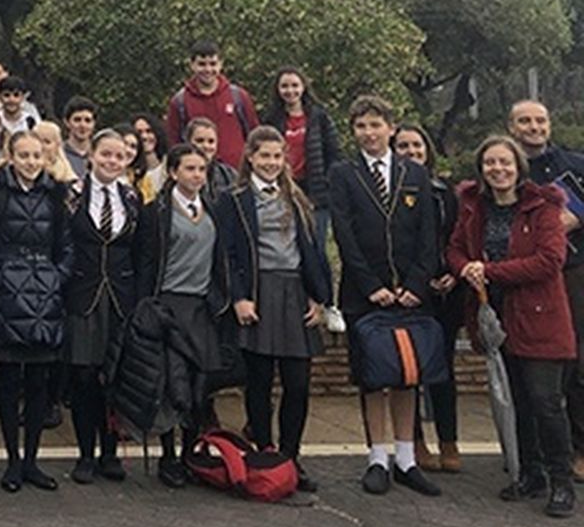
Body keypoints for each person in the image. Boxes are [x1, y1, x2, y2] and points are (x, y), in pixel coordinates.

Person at [449, 136, 576, 518]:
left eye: (505, 162)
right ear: (481, 169)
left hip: (540, 316)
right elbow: (455, 248)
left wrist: (488, 270)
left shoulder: (544, 206)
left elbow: (549, 260)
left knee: (546, 402)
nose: (498, 169)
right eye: (490, 163)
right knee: (517, 400)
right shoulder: (473, 207)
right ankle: (531, 473)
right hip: (496, 317)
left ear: (519, 167)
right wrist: (465, 269)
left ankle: (562, 482)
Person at [327, 95, 441, 497]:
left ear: (391, 128)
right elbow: (344, 233)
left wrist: (416, 284)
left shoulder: (415, 173)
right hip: (364, 295)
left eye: (376, 125)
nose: (369, 133)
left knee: (408, 376)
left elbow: (428, 233)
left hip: (410, 295)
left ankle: (407, 459)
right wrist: (370, 285)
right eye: (361, 126)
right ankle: (378, 458)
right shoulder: (343, 174)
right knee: (373, 376)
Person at [218, 125, 330, 493]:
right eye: (264, 155)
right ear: (250, 157)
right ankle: (265, 454)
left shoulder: (297, 198)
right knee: (259, 382)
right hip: (258, 291)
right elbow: (227, 254)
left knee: (297, 383)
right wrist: (239, 297)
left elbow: (313, 251)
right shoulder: (234, 200)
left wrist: (319, 297)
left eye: (277, 156)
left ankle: (290, 456)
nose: (270, 162)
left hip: (294, 291)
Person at [0, 130, 73, 493]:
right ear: (10, 157)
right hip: (6, 302)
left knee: (39, 384)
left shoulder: (55, 197)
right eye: (23, 155)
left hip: (44, 300)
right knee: (9, 383)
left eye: (36, 155)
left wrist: (56, 277)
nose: (30, 162)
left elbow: (67, 248)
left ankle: (32, 462)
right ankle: (12, 461)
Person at [65, 129, 151, 484]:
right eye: (106, 154)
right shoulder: (71, 195)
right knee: (84, 377)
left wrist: (140, 298)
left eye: (119, 156)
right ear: (92, 155)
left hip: (120, 297)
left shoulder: (132, 197)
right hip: (82, 295)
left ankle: (110, 452)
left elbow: (141, 251)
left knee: (113, 378)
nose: (112, 161)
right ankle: (85, 453)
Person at [506, 99, 584, 480]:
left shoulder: (576, 164)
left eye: (540, 120)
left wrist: (578, 216)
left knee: (577, 362)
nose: (534, 127)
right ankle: (533, 455)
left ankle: (579, 447)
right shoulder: (506, 168)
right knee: (530, 367)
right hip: (526, 277)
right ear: (512, 127)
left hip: (574, 271)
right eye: (525, 121)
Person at [147, 143, 228, 489]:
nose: (196, 175)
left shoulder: (213, 209)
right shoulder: (157, 212)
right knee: (170, 384)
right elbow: (146, 261)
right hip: (168, 304)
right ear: (173, 172)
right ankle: (168, 456)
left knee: (198, 385)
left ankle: (189, 454)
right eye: (189, 169)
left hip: (200, 306)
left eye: (201, 169)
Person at [393, 123, 463, 473]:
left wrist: (453, 272)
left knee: (443, 368)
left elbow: (456, 236)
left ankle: (449, 440)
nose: (412, 151)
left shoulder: (444, 191)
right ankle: (415, 442)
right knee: (410, 370)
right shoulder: (389, 193)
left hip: (445, 290)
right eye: (403, 146)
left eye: (417, 145)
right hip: (408, 290)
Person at [261, 67, 344, 333]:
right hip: (283, 189)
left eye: (295, 85)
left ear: (304, 87)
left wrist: (328, 183)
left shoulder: (318, 116)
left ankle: (328, 303)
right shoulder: (271, 119)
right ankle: (299, 302)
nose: (290, 91)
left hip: (315, 192)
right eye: (285, 86)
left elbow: (335, 154)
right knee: (287, 247)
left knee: (316, 246)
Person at [164, 40, 259, 169]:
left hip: (236, 171)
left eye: (213, 64)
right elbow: (174, 143)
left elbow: (254, 136)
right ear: (192, 65)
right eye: (202, 64)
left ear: (221, 64)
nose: (208, 69)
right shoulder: (180, 102)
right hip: (197, 173)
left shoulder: (238, 96)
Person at [61, 97, 97, 179]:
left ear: (94, 124)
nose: (83, 125)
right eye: (77, 120)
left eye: (87, 120)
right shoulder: (59, 154)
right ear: (67, 122)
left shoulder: (99, 155)